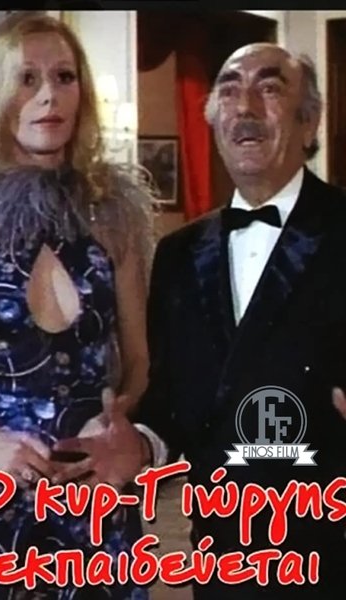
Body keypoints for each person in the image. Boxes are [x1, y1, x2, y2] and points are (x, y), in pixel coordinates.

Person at [54, 44, 346, 599]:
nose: (245, 107)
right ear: (213, 121)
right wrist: (141, 445)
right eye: (229, 91)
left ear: (309, 123)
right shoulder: (180, 254)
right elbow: (171, 401)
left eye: (269, 88)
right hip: (223, 560)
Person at [0, 11, 154, 600]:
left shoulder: (112, 214)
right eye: (27, 78)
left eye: (64, 77)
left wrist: (119, 427)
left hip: (93, 492)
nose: (49, 96)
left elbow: (139, 363)